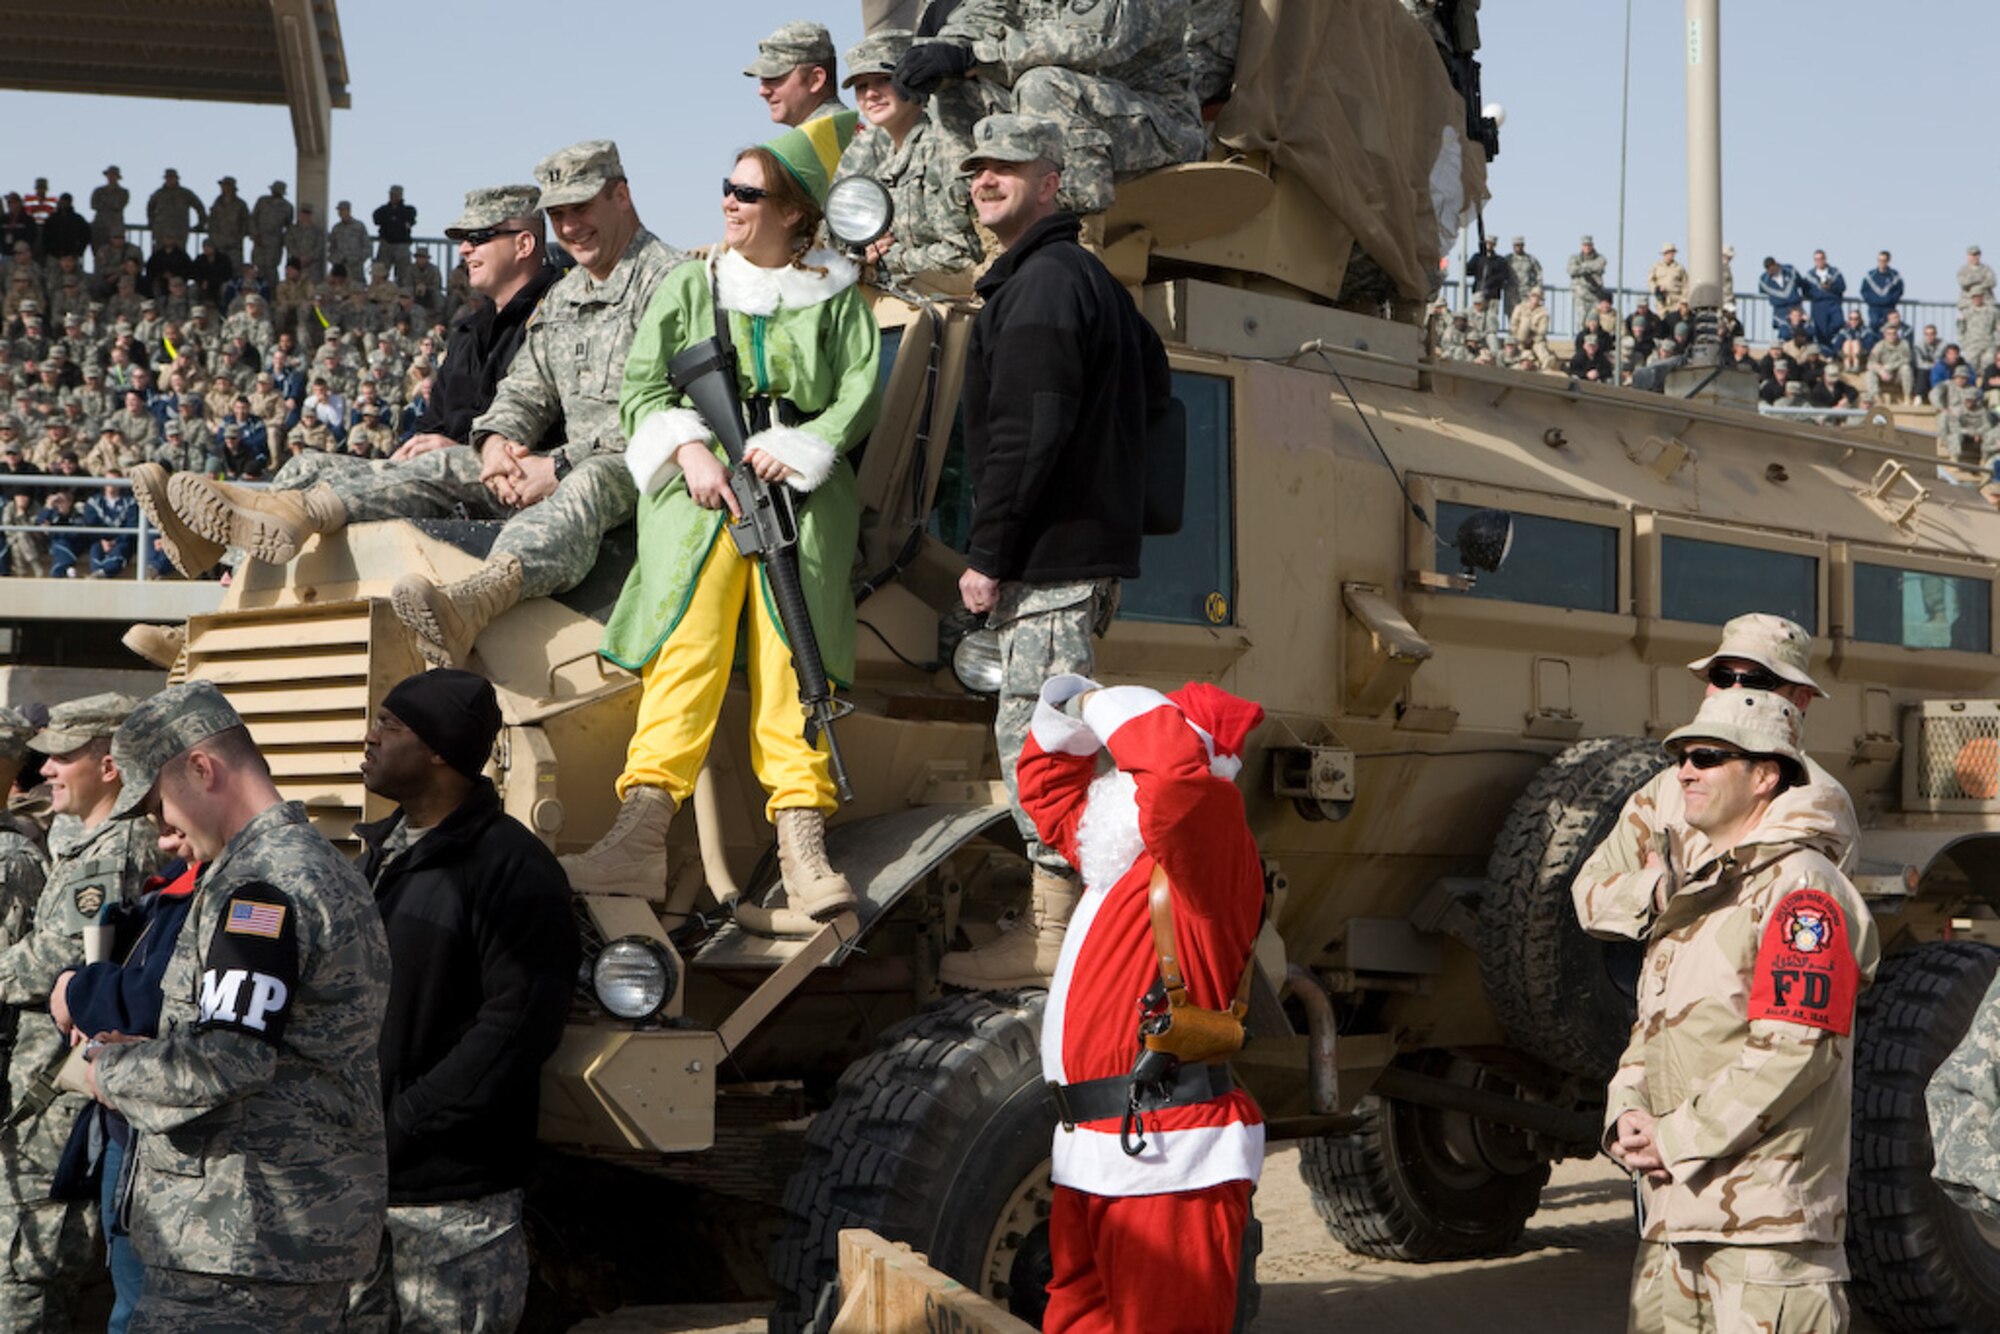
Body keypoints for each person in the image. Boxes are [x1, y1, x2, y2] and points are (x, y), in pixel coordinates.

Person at [145, 143, 685, 668]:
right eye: (559, 213)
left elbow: (674, 411)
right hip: (544, 468)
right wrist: (495, 442)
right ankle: (284, 522)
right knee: (443, 462)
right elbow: (525, 389)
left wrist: (558, 463)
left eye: (581, 208)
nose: (569, 226)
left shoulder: (673, 283)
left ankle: (474, 601)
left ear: (621, 196)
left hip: (639, 468)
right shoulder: (565, 298)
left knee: (587, 480)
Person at [562, 114, 878, 919]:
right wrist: (692, 454)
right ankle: (638, 837)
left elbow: (858, 393)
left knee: (792, 651)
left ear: (796, 212)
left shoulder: (839, 297)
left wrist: (806, 447)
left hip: (798, 496)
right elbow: (644, 392)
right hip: (703, 489)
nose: (730, 204)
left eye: (749, 192)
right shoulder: (691, 283)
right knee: (690, 643)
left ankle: (802, 843)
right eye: (728, 189)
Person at [939, 114, 1172, 988]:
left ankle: (1052, 938)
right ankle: (1056, 927)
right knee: (1044, 735)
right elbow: (1154, 384)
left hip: (1049, 567)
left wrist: (989, 553)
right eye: (976, 168)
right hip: (1076, 558)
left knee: (1038, 746)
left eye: (1005, 167)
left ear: (1051, 182)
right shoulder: (1089, 281)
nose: (983, 179)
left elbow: (1026, 433)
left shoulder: (1040, 286)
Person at [87, 680, 390, 1331]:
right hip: (272, 1239)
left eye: (158, 804)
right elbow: (263, 1036)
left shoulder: (262, 886)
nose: (161, 829)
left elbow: (230, 1059)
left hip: (238, 1249)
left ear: (202, 767)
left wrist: (107, 1072)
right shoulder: (310, 864)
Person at [1605, 688, 1877, 1332]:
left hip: (1766, 1244)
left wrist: (1673, 1138)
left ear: (1764, 776)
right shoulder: (1700, 892)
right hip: (1675, 1225)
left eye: (1709, 756)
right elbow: (1653, 1030)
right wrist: (1627, 1113)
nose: (1685, 771)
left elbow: (1795, 1051)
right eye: (1681, 756)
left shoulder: (1803, 890)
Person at [1017, 674, 1265, 1333]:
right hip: (1098, 1151)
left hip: (1168, 1157)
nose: (1118, 775)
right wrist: (1066, 703)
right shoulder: (1121, 851)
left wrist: (1104, 705)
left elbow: (1176, 783)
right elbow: (1048, 793)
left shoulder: (1207, 840)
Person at [344, 670, 577, 1334]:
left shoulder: (514, 869)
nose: (370, 737)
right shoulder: (379, 856)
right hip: (361, 1194)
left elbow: (518, 1025)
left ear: (440, 750)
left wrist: (410, 1119)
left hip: (452, 1209)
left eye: (389, 725)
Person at [0, 693, 155, 1333]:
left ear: (111, 763)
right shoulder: (87, 843)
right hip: (43, 1095)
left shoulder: (115, 851)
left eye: (64, 756)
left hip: (60, 1103)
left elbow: (60, 956)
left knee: (29, 1284)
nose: (45, 771)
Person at [1574, 614, 1857, 941]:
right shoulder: (1668, 787)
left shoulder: (1818, 801)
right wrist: (1658, 890)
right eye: (1722, 676)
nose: (1733, 688)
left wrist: (1670, 881)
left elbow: (1771, 910)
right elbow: (1588, 896)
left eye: (1757, 679)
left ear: (1800, 699)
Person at [51, 818, 200, 1334]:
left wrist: (77, 991)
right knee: (129, 1305)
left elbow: (149, 1002)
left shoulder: (227, 891)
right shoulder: (172, 882)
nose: (162, 834)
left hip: (173, 1142)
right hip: (126, 1131)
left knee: (143, 1311)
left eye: (169, 811)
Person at [894, 0, 1204, 216]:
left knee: (1043, 86)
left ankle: (1076, 236)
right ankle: (979, 234)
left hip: (1161, 127)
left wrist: (977, 56)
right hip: (1071, 112)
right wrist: (941, 53)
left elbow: (1095, 41)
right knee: (953, 89)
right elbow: (982, 15)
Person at [395, 185, 561, 457]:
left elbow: (553, 437)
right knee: (310, 469)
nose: (463, 249)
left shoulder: (559, 320)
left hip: (515, 479)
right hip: (441, 481)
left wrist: (461, 452)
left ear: (523, 245)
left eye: (478, 237)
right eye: (463, 239)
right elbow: (431, 424)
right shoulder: (467, 331)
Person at [836, 29, 982, 282]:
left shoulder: (943, 146)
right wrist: (863, 253)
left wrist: (891, 260)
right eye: (861, 86)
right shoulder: (877, 157)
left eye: (884, 79)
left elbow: (966, 254)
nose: (870, 93)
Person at [747, 21, 848, 126]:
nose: (762, 91)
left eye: (774, 77)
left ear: (815, 80)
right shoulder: (842, 131)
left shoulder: (828, 136)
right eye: (762, 79)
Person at [144, 169, 205, 254]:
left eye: (172, 178)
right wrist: (151, 222)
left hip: (179, 232)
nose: (169, 180)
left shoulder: (185, 193)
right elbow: (150, 207)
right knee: (159, 256)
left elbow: (199, 206)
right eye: (167, 178)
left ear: (176, 179)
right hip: (161, 232)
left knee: (179, 257)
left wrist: (201, 223)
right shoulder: (158, 194)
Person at [1800, 248, 1846, 352]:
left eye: (1821, 259)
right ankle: (1826, 353)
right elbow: (1805, 291)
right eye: (1816, 259)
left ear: (1825, 259)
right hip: (1818, 304)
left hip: (1833, 303)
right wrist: (1816, 294)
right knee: (1821, 330)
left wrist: (1831, 286)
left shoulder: (1835, 272)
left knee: (1838, 323)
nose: (1819, 261)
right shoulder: (1809, 275)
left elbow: (1842, 287)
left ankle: (1832, 346)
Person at [372, 186, 417, 287]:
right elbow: (376, 219)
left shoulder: (408, 210)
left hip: (402, 245)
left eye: (396, 195)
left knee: (403, 275)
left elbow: (411, 220)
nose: (393, 197)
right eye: (392, 194)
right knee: (380, 273)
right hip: (386, 245)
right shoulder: (382, 210)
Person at [1567, 234, 1606, 333]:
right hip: (1581, 296)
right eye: (1585, 245)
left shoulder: (1600, 258)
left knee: (1595, 320)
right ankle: (1582, 342)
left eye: (1589, 245)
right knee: (1581, 321)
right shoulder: (1574, 258)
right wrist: (1588, 268)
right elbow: (1571, 270)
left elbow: (1599, 266)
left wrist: (1582, 267)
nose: (1587, 247)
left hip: (1595, 296)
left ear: (1592, 245)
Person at [207, 176, 251, 265]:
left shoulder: (241, 204)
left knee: (234, 268)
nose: (224, 188)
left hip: (234, 245)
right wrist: (213, 236)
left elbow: (246, 222)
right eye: (223, 186)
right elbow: (211, 221)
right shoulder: (217, 203)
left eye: (226, 186)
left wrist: (238, 237)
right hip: (218, 243)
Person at [1859, 250, 1902, 333]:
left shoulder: (1895, 275)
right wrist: (1871, 300)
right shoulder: (1870, 275)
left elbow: (1899, 290)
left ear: (1888, 261)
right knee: (1874, 324)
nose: (1881, 263)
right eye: (1879, 260)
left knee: (1888, 328)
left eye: (1884, 261)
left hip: (1889, 307)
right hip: (1874, 307)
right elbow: (1864, 291)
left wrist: (1890, 300)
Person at [89, 166, 127, 249]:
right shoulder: (99, 190)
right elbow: (94, 205)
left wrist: (105, 203)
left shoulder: (123, 192)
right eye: (109, 175)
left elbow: (118, 205)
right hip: (99, 227)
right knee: (98, 251)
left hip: (115, 228)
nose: (111, 177)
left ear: (117, 177)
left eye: (113, 175)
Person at [1503, 235, 1541, 316]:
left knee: (1526, 317)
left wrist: (1537, 288)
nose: (1518, 247)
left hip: (1526, 293)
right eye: (1516, 245)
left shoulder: (1530, 259)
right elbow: (1500, 273)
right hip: (1512, 294)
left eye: (1520, 245)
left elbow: (1539, 273)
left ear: (1523, 246)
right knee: (1512, 317)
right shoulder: (1507, 259)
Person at [1648, 242, 1688, 309]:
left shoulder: (1679, 267)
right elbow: (1650, 281)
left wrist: (1683, 300)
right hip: (1662, 302)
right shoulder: (1656, 266)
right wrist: (1657, 288)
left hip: (1676, 303)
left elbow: (1686, 284)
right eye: (1670, 252)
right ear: (1665, 253)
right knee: (1662, 318)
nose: (1672, 254)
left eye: (1673, 252)